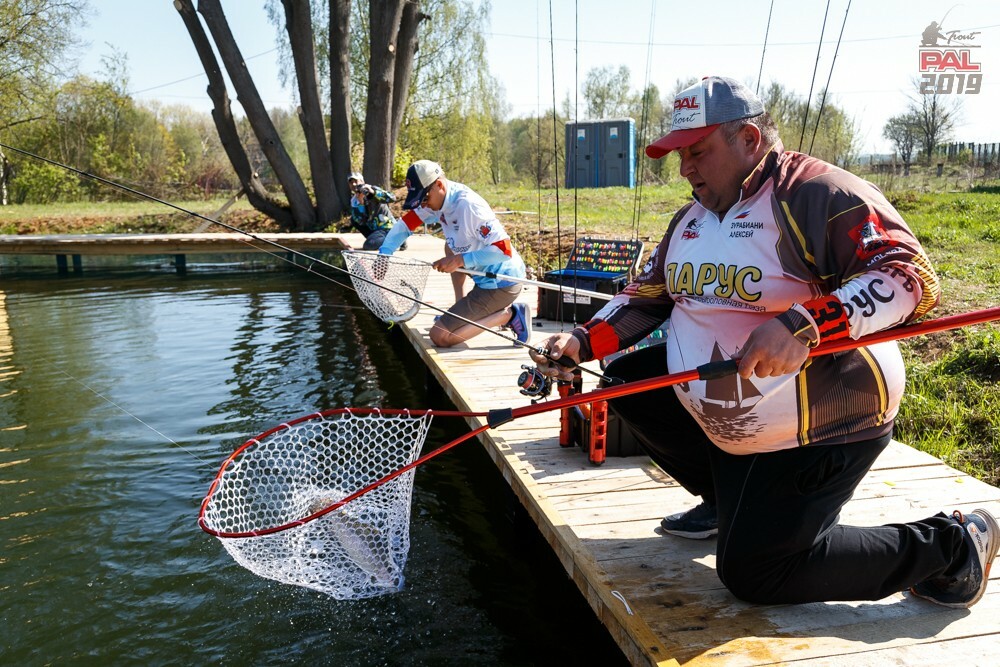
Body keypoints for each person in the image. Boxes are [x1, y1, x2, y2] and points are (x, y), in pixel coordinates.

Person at [529, 76, 998, 608]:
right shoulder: (691, 216)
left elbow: (909, 274)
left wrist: (806, 324)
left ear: (749, 139)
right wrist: (580, 340)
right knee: (625, 382)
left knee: (757, 574)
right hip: (732, 412)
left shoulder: (818, 193)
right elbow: (648, 296)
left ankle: (955, 544)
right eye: (679, 155)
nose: (684, 169)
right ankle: (727, 502)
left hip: (824, 422)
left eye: (697, 152)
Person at [379, 159, 531, 348]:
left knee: (440, 336)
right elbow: (405, 225)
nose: (423, 206)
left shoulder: (468, 206)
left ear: (439, 185)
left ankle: (510, 315)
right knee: (449, 247)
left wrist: (460, 260)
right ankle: (458, 309)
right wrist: (384, 254)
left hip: (501, 282)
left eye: (424, 199)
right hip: (481, 272)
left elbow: (504, 249)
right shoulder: (438, 199)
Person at [346, 172, 397, 251]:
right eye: (351, 182)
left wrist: (373, 192)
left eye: (356, 181)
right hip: (376, 229)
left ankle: (395, 238)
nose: (354, 184)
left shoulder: (372, 189)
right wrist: (361, 203)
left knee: (368, 245)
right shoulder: (354, 200)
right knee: (353, 219)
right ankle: (376, 239)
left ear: (362, 182)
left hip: (386, 227)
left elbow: (392, 198)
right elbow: (361, 221)